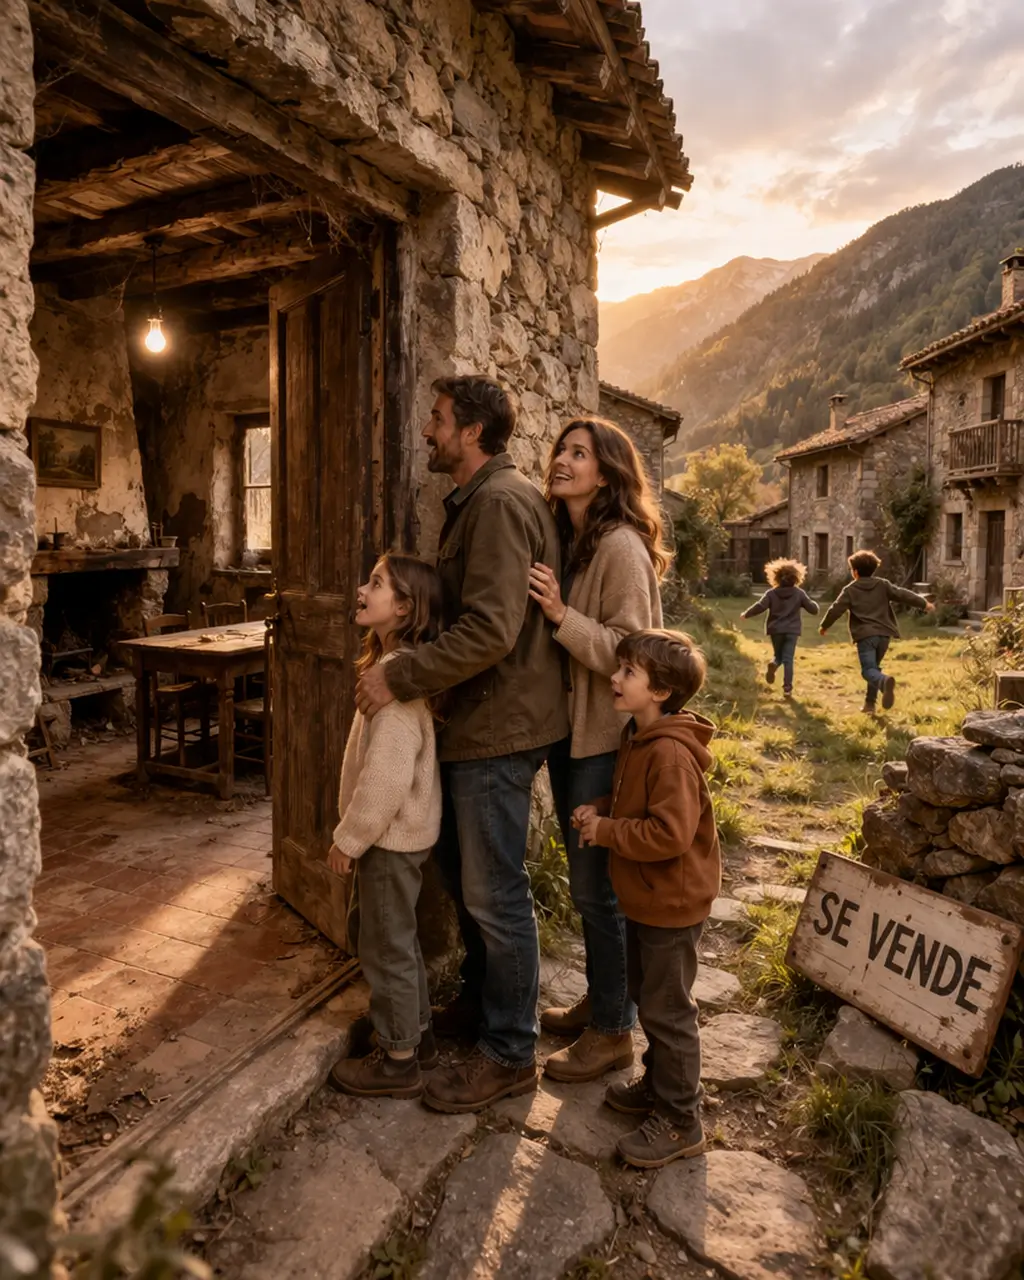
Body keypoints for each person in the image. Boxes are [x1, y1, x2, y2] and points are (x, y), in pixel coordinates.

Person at [355, 376, 567, 1114]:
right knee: (473, 889)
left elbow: (491, 630)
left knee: (495, 894)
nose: (427, 430)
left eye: (438, 419)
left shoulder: (502, 505)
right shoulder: (479, 503)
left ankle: (510, 1052)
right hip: (477, 728)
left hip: (499, 732)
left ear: (473, 430)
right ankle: (484, 1013)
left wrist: (401, 676)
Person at [526, 416, 667, 1084]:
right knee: (592, 887)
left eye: (579, 453)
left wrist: (560, 616)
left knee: (596, 889)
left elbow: (636, 650)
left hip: (605, 743)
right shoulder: (578, 541)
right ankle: (605, 1000)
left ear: (607, 473)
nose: (562, 460)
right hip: (576, 735)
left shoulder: (619, 547)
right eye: (561, 449)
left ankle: (613, 1033)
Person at [573, 629, 720, 1168]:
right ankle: (662, 1086)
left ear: (659, 691)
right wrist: (599, 807)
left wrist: (608, 832)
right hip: (646, 900)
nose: (614, 678)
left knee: (668, 1010)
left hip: (672, 904)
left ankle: (681, 1119)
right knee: (648, 996)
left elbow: (670, 835)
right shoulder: (637, 738)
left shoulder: (671, 757)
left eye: (627, 672)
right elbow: (628, 799)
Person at [326, 554, 443, 1100]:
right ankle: (415, 1031)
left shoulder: (396, 691)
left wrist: (349, 838)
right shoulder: (393, 669)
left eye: (375, 583)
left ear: (403, 607)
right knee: (399, 939)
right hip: (397, 842)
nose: (360, 589)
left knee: (385, 945)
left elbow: (386, 781)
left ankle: (398, 1061)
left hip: (388, 842)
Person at [818, 548, 935, 713]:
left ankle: (884, 682)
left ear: (855, 572)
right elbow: (903, 594)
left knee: (868, 671)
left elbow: (836, 609)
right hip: (884, 636)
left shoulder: (850, 590)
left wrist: (824, 625)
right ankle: (870, 705)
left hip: (866, 636)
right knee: (874, 668)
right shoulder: (883, 584)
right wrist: (924, 603)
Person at [740, 557, 819, 697]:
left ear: (775, 576)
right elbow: (813, 610)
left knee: (778, 655)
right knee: (788, 659)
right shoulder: (799, 593)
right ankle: (787, 689)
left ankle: (774, 664)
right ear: (796, 578)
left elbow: (760, 606)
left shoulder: (771, 593)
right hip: (792, 631)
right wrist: (813, 603)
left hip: (776, 629)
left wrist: (746, 614)